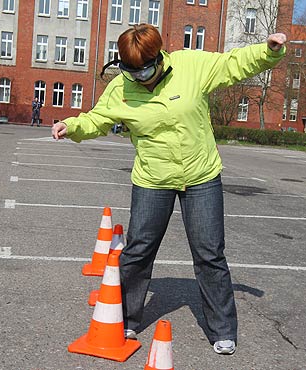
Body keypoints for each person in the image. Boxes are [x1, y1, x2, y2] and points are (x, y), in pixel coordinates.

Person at [52, 24, 286, 355]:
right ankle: (125, 319)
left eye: (145, 69)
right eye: (132, 72)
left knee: (209, 253)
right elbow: (97, 119)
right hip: (152, 178)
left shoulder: (191, 66)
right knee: (138, 250)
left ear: (159, 57)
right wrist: (71, 125)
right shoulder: (121, 87)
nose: (140, 78)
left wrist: (269, 50)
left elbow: (235, 63)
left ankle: (222, 328)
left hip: (200, 175)